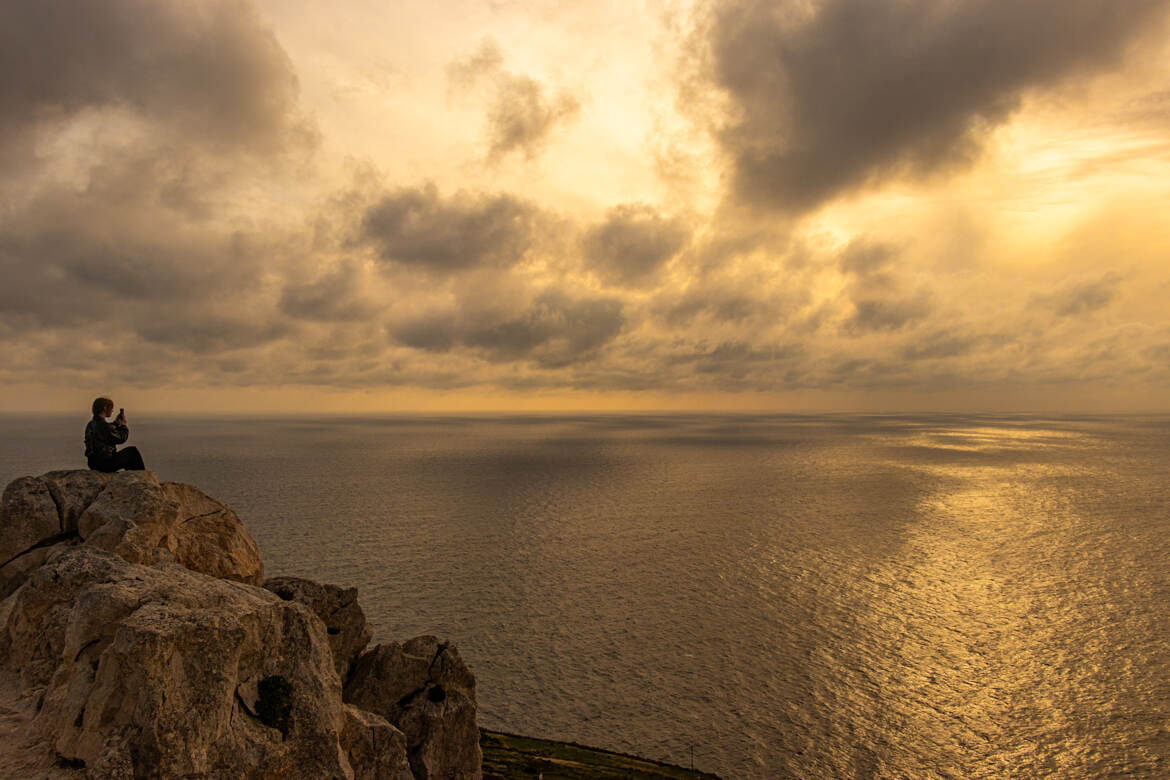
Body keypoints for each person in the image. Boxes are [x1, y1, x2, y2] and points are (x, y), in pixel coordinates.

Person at [85, 397, 146, 472]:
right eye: (111, 408)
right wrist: (123, 425)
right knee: (132, 452)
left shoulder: (91, 424)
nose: (112, 411)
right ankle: (141, 477)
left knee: (127, 457)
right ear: (105, 408)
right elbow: (121, 438)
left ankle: (133, 475)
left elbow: (106, 432)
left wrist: (116, 423)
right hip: (104, 464)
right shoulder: (103, 426)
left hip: (93, 463)